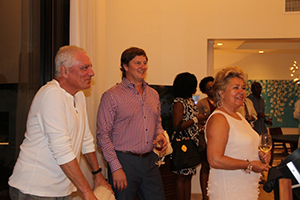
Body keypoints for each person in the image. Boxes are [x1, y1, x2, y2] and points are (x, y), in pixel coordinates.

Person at [8, 45, 112, 200]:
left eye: (90, 67)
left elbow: (85, 139)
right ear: (64, 71)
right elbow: (62, 149)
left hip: (61, 191)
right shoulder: (51, 94)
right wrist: (86, 191)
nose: (91, 73)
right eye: (85, 68)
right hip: (34, 190)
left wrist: (97, 175)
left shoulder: (79, 96)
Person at [96, 47, 167, 200]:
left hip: (150, 161)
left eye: (145, 62)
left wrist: (159, 134)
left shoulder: (153, 94)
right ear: (125, 66)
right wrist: (115, 167)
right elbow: (102, 135)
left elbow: (157, 122)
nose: (143, 67)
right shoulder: (112, 96)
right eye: (137, 63)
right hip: (124, 161)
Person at [205, 66, 270, 200]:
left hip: (245, 185)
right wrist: (250, 165)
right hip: (229, 188)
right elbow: (214, 159)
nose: (241, 92)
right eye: (236, 88)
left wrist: (259, 154)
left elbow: (239, 147)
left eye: (244, 88)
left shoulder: (239, 116)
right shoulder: (219, 119)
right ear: (221, 92)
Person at [172, 72, 206, 200]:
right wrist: (197, 119)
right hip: (183, 145)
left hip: (192, 143)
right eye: (194, 85)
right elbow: (177, 125)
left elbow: (192, 122)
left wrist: (200, 126)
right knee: (181, 177)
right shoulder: (179, 102)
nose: (195, 87)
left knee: (188, 176)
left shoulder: (190, 101)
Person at [196, 76, 216, 200]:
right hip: (206, 139)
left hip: (220, 139)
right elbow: (196, 121)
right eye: (209, 88)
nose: (212, 90)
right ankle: (205, 196)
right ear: (205, 90)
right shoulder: (202, 103)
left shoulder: (223, 101)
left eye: (213, 86)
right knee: (205, 166)